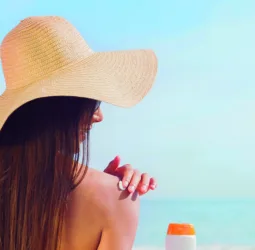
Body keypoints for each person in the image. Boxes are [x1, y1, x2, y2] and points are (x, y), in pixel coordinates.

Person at [0, 16, 158, 250]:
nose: (99, 116)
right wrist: (110, 196)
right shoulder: (116, 201)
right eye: (92, 103)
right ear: (61, 108)